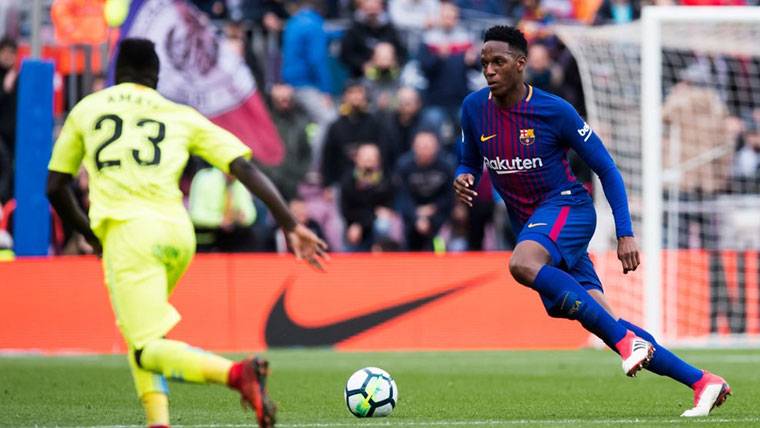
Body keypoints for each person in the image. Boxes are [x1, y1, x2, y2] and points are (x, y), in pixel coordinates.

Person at [46, 38, 328, 428]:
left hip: (129, 234)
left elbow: (55, 187)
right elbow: (243, 167)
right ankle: (158, 421)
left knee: (146, 347)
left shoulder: (88, 109)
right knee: (142, 333)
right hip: (179, 233)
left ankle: (237, 374)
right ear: (157, 76)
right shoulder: (178, 114)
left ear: (116, 72)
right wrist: (290, 223)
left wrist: (90, 234)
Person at [453, 26, 730, 417]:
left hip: (567, 208)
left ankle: (624, 343)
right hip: (536, 226)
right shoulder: (473, 109)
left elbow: (606, 168)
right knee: (604, 318)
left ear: (520, 64)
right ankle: (703, 381)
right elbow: (467, 159)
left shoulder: (555, 111)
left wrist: (625, 232)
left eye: (498, 62)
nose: (489, 70)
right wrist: (463, 175)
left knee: (522, 264)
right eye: (484, 63)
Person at [396, 131, 454, 251]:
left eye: (428, 146)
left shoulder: (446, 166)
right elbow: (402, 195)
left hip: (439, 213)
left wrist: (434, 208)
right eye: (421, 146)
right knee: (405, 232)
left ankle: (441, 261)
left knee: (441, 240)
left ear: (436, 147)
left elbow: (450, 195)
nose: (424, 150)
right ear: (414, 147)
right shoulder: (404, 166)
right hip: (412, 213)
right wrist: (416, 215)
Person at [339, 143, 395, 251]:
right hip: (354, 225)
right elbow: (346, 210)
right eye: (365, 158)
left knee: (383, 224)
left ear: (378, 161)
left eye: (372, 159)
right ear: (357, 159)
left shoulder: (386, 180)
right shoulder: (348, 180)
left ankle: (382, 251)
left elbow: (386, 208)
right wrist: (359, 224)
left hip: (373, 225)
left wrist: (362, 223)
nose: (368, 163)